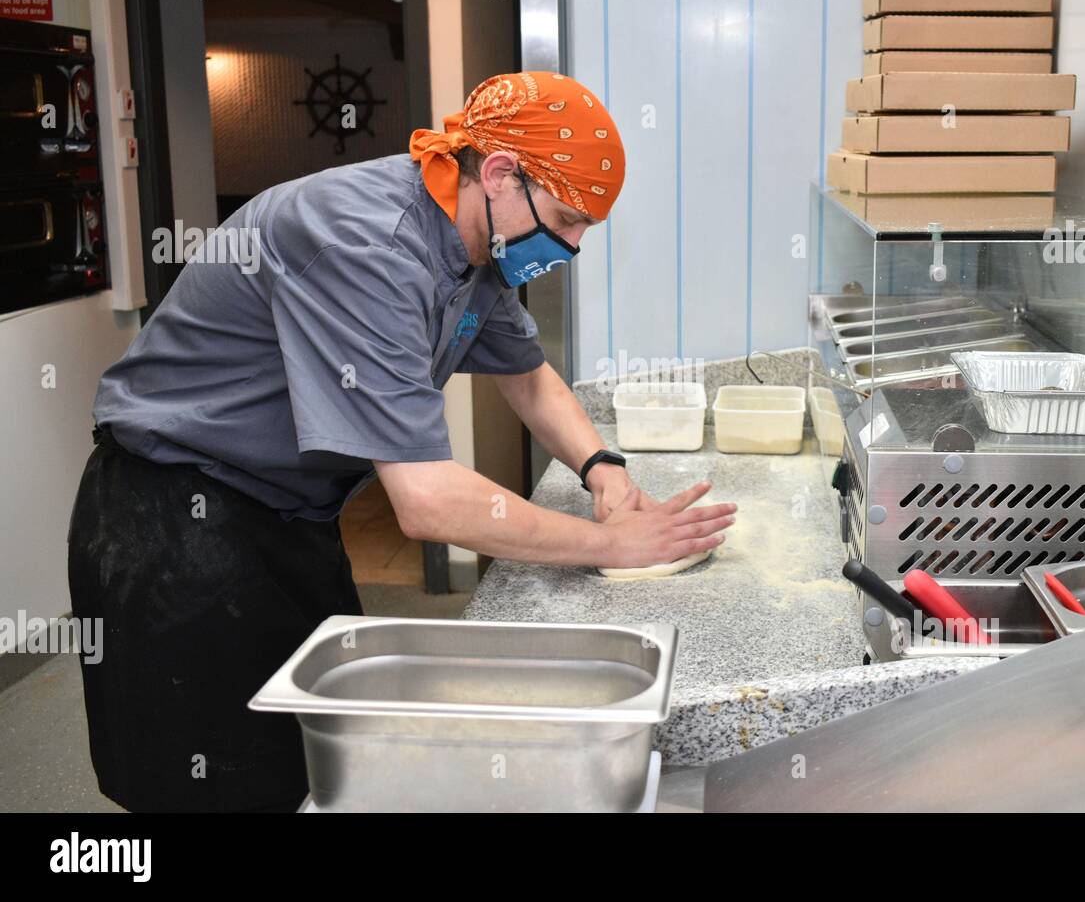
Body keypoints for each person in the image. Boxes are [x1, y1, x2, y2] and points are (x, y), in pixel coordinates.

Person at [68, 72, 735, 812]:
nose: (573, 247)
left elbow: (528, 374)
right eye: (568, 220)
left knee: (328, 760)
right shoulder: (366, 244)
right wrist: (615, 546)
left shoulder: (476, 245)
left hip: (289, 519)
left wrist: (602, 471)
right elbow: (426, 500)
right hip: (172, 522)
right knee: (218, 780)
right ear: (504, 174)